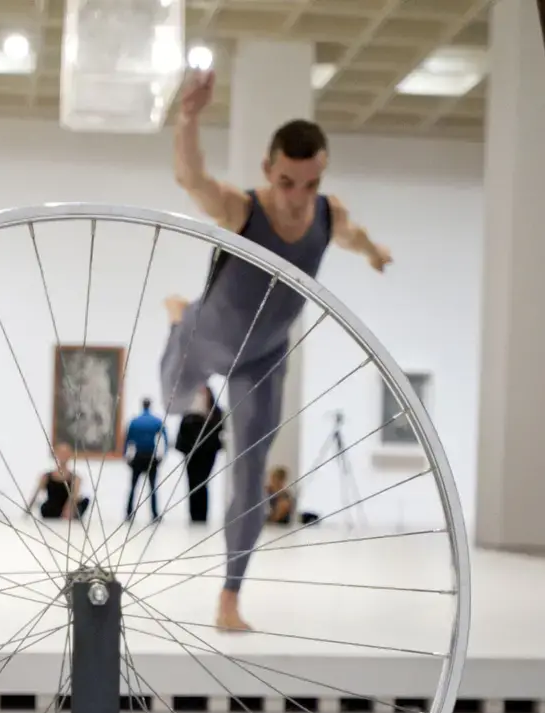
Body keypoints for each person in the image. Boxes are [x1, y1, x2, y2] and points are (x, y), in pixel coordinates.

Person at [162, 69, 392, 631]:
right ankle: (176, 316)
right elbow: (191, 179)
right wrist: (189, 117)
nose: (297, 198)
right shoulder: (246, 210)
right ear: (269, 171)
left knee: (251, 470)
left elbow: (351, 233)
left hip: (263, 357)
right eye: (287, 182)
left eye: (310, 185)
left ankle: (230, 597)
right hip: (204, 339)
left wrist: (372, 251)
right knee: (173, 404)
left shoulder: (326, 215)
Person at [175, 382, 224, 524]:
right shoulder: (188, 413)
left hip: (208, 451)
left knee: (202, 482)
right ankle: (194, 515)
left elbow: (219, 428)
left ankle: (202, 515)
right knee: (192, 483)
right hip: (191, 451)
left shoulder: (215, 412)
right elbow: (184, 432)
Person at [124, 397, 168, 522]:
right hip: (150, 456)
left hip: (138, 457)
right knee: (152, 487)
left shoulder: (135, 421)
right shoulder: (156, 421)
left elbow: (127, 441)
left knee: (133, 487)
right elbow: (164, 438)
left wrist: (126, 457)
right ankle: (154, 515)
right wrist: (163, 455)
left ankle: (129, 513)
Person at [28, 442, 90, 520]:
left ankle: (69, 514)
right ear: (56, 455)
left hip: (69, 511)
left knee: (85, 500)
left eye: (66, 453)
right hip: (52, 509)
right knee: (47, 507)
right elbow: (36, 495)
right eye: (61, 453)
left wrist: (67, 511)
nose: (63, 456)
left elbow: (74, 496)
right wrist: (27, 511)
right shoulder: (46, 476)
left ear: (69, 455)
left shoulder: (75, 478)